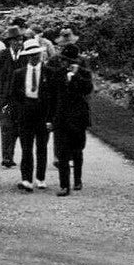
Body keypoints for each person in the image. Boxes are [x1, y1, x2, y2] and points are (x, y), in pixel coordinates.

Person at [44, 44, 93, 196]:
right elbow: (51, 98)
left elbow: (88, 89)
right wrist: (49, 119)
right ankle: (64, 185)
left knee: (77, 151)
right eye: (64, 60)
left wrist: (76, 75)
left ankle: (77, 180)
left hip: (78, 118)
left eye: (70, 60)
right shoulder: (57, 74)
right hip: (61, 117)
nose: (66, 63)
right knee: (62, 152)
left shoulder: (84, 74)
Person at [10, 39, 50, 191]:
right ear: (27, 57)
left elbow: (53, 96)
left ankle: (40, 178)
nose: (35, 57)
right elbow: (13, 96)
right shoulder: (19, 73)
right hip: (26, 112)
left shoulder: (47, 72)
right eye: (31, 55)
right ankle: (26, 178)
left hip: (43, 113)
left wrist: (50, 118)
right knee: (26, 147)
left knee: (41, 147)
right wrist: (16, 114)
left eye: (37, 54)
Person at [0, 26, 24, 169]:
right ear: (10, 41)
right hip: (5, 97)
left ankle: (11, 154)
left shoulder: (26, 56)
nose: (18, 43)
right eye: (16, 40)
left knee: (17, 128)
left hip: (21, 99)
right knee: (6, 127)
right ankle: (6, 157)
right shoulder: (0, 56)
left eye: (20, 40)